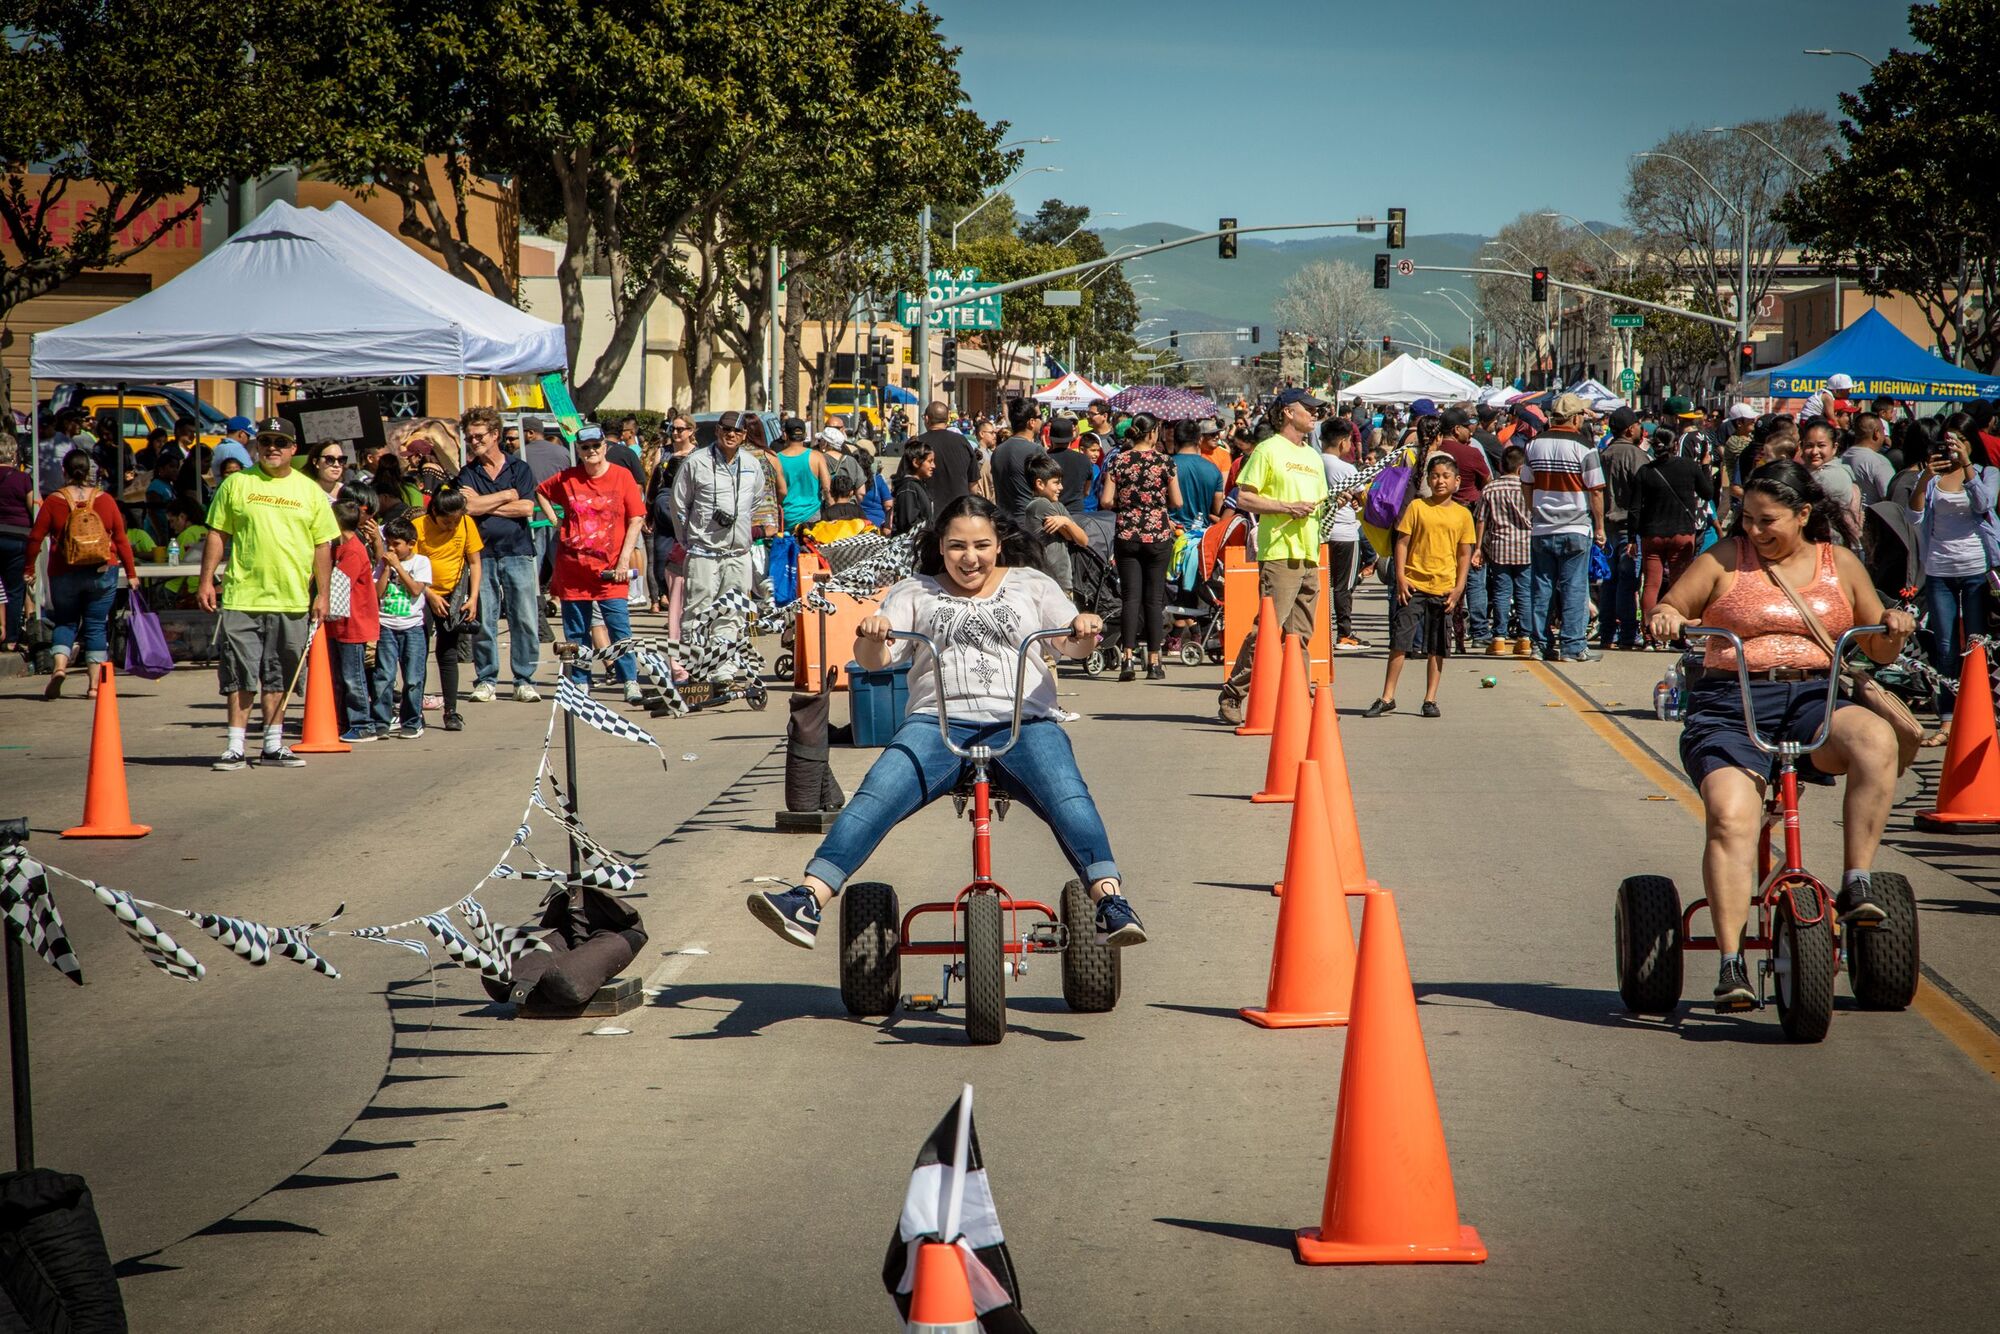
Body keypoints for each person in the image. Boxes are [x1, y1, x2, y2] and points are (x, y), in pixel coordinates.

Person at [745, 495, 1146, 951]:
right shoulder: (914, 590)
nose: (969, 558)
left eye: (981, 545)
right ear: (940, 546)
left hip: (1024, 723)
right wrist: (873, 634)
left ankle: (1110, 901)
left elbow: (1071, 646)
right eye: (957, 546)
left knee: (1069, 795)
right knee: (877, 793)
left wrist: (1084, 630)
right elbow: (874, 661)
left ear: (999, 544)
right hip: (936, 725)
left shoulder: (1031, 584)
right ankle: (808, 898)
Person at [1647, 460, 1916, 1011]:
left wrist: (1893, 627)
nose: (1754, 530)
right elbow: (1672, 603)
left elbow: (1877, 647)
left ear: (1802, 514)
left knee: (1876, 738)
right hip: (1730, 704)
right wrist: (1667, 616)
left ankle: (1857, 881)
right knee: (1730, 817)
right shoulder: (1726, 558)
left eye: (1767, 520)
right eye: (1747, 518)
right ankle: (1731, 962)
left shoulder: (1839, 563)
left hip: (1814, 699)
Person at [196, 428, 338, 769]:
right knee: (239, 673)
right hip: (243, 597)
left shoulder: (309, 490)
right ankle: (235, 746)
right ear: (257, 446)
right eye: (266, 442)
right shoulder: (236, 484)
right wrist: (206, 580)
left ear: (293, 448)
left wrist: (323, 594)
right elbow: (217, 533)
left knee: (279, 674)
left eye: (281, 443)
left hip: (291, 599)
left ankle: (273, 744)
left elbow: (323, 545)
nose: (273, 448)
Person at [1217, 388, 1329, 724]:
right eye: (1309, 409)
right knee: (1266, 631)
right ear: (1288, 412)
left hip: (1309, 552)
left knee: (1300, 636)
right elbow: (1244, 498)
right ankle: (1233, 693)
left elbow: (1320, 503)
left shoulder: (1313, 456)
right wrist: (1285, 507)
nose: (1315, 414)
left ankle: (1298, 701)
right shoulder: (1267, 450)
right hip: (1279, 552)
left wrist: (1344, 501)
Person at [539, 428, 648, 702]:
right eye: (585, 447)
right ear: (578, 450)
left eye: (596, 445)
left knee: (619, 627)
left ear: (604, 447)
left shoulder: (621, 476)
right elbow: (541, 491)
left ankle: (629, 679)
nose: (591, 451)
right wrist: (556, 521)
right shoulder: (568, 478)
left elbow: (636, 518)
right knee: (576, 630)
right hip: (574, 567)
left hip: (611, 570)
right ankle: (580, 681)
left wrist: (624, 560)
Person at [1364, 453, 1476, 719]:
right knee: (1400, 641)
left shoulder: (1462, 515)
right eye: (1434, 476)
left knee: (1437, 647)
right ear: (1427, 479)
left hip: (1444, 588)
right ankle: (1387, 696)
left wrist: (1459, 587)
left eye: (1446, 476)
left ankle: (1430, 699)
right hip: (1413, 585)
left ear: (1457, 481)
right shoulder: (1417, 507)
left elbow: (1464, 554)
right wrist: (1401, 577)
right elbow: (1402, 543)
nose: (1440, 481)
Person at [23, 448, 141, 699]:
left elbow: (35, 538)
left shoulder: (54, 501)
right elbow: (121, 539)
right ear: (89, 471)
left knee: (65, 621)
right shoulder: (105, 500)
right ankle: (94, 687)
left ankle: (59, 668)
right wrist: (131, 573)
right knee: (96, 626)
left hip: (63, 571)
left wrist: (29, 568)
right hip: (102, 571)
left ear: (63, 470)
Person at [1907, 426, 1997, 722]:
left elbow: (1984, 504)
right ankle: (1948, 716)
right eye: (1948, 442)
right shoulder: (1933, 478)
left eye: (1960, 441)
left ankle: (1977, 712)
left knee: (1976, 643)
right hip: (1939, 568)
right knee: (1945, 646)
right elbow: (1914, 515)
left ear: (1970, 442)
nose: (1953, 447)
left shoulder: (1986, 473)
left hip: (1975, 568)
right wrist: (1924, 479)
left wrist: (1967, 465)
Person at [457, 405, 543, 703]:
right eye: (469, 437)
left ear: (495, 434)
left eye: (479, 436)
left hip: (518, 551)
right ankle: (486, 679)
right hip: (481, 554)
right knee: (484, 619)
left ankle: (525, 679)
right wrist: (506, 495)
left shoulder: (519, 468)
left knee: (525, 619)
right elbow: (468, 507)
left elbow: (527, 508)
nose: (474, 442)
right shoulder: (467, 473)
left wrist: (484, 503)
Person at [670, 413, 764, 670]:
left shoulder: (752, 464)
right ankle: (697, 668)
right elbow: (679, 505)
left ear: (745, 435)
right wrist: (689, 540)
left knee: (732, 613)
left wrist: (739, 526)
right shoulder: (696, 462)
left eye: (737, 431)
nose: (731, 434)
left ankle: (724, 669)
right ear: (717, 431)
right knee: (698, 612)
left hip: (738, 554)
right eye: (726, 429)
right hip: (703, 552)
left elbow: (755, 501)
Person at [1524, 392, 1607, 663]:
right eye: (1582, 414)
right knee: (1574, 589)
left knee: (1542, 588)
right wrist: (1600, 527)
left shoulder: (1534, 445)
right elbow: (1596, 491)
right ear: (1574, 418)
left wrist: (1534, 511)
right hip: (1575, 527)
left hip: (1542, 528)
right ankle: (1573, 646)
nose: (1584, 418)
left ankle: (1540, 645)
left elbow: (1527, 482)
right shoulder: (1585, 447)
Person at [1101, 412, 1182, 681]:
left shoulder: (1119, 460)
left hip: (1127, 533)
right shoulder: (1165, 462)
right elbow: (1177, 502)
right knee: (1154, 599)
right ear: (1152, 433)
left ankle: (1127, 659)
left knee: (1130, 598)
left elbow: (1106, 501)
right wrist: (1156, 503)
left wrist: (1128, 504)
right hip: (1157, 535)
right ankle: (1154, 662)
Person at [1631, 429, 1717, 644]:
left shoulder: (1645, 471)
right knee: (1679, 585)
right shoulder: (1689, 467)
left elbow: (1635, 509)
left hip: (1652, 533)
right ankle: (1678, 634)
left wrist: (1632, 538)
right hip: (1682, 532)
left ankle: (1649, 634)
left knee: (1651, 584)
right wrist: (1706, 466)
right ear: (1675, 444)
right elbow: (1707, 493)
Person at [414, 485, 482, 730]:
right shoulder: (418, 527)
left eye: (456, 520)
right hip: (422, 594)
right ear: (434, 512)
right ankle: (414, 711)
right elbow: (409, 567)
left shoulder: (466, 524)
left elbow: (474, 562)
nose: (451, 526)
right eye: (446, 521)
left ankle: (451, 711)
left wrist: (473, 598)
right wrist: (429, 594)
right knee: (418, 653)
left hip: (453, 595)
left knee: (448, 652)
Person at [325, 494, 383, 742]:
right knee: (339, 678)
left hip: (352, 625)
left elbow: (338, 587)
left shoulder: (353, 551)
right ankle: (343, 722)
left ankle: (362, 723)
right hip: (337, 625)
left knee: (352, 677)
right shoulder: (337, 548)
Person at [372, 517, 432, 740]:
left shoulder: (421, 562)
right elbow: (377, 593)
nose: (391, 548)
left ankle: (412, 720)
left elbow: (416, 590)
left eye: (396, 544)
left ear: (411, 543)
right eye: (388, 543)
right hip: (386, 625)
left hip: (412, 627)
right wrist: (387, 569)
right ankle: (382, 720)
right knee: (384, 676)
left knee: (413, 678)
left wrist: (398, 566)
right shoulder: (383, 564)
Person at [1598, 407, 1652, 651]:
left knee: (1609, 581)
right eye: (1638, 425)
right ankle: (1628, 633)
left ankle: (1607, 633)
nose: (1641, 429)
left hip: (1606, 525)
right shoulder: (1636, 456)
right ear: (1630, 429)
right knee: (1628, 582)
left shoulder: (1604, 454)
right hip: (1630, 528)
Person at [1474, 443, 1534, 656]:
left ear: (1501, 466)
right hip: (1525, 547)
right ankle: (1525, 638)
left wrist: (1478, 547)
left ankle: (1499, 638)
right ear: (1521, 468)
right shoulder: (1527, 487)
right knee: (1524, 593)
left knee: (1501, 592)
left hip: (1499, 547)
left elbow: (1481, 520)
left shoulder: (1490, 489)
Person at [1317, 417, 1366, 650]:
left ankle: (1320, 630)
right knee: (1344, 586)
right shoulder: (1346, 468)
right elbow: (1363, 495)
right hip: (1345, 532)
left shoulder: (1314, 462)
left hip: (1321, 532)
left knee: (1322, 583)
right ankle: (1344, 634)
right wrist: (1358, 501)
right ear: (1343, 442)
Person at [1024, 455, 1087, 599]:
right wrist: (1067, 524)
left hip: (1062, 580)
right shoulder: (1039, 505)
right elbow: (1069, 536)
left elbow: (1083, 540)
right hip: (1051, 582)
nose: (1061, 487)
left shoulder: (1058, 506)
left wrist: (1065, 521)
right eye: (1056, 483)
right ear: (1040, 484)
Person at [1798, 419, 1862, 548]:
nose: (1814, 451)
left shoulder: (1832, 475)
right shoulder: (1808, 471)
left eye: (1821, 445)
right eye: (1809, 446)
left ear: (1834, 448)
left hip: (1833, 547)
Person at [991, 398, 1048, 525]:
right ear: (1031, 422)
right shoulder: (1036, 450)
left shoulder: (998, 451)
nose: (1042, 421)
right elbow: (1047, 488)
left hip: (1003, 522)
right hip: (1029, 523)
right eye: (1040, 417)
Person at [0, 437, 33, 650]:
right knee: (14, 590)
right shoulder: (23, 479)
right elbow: (33, 507)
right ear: (13, 454)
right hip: (18, 538)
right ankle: (10, 639)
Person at [915, 401, 979, 511]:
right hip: (959, 511)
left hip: (927, 512)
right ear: (948, 419)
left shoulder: (916, 444)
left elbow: (903, 479)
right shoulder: (962, 441)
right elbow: (973, 484)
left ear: (926, 418)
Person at [774, 417, 829, 531]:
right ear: (805, 435)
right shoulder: (816, 456)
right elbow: (826, 487)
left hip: (787, 517)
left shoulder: (776, 459)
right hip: (812, 516)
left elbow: (779, 491)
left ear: (785, 435)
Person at [1169, 419, 1224, 530]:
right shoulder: (1214, 469)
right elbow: (1218, 509)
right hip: (1200, 534)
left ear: (1175, 440)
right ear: (1200, 439)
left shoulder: (1166, 465)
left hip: (1172, 531)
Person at [1842, 411, 1894, 508]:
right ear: (1876, 433)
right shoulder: (1879, 462)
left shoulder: (1842, 457)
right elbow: (1890, 500)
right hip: (1871, 516)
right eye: (1883, 430)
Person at [1046, 417, 1096, 515]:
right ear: (1071, 437)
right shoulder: (1084, 459)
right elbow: (1086, 492)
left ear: (1050, 437)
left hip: (1050, 513)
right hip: (1076, 512)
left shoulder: (1044, 459)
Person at [892, 444, 936, 535]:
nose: (934, 466)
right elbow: (909, 524)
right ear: (916, 462)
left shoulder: (918, 485)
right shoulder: (908, 488)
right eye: (930, 461)